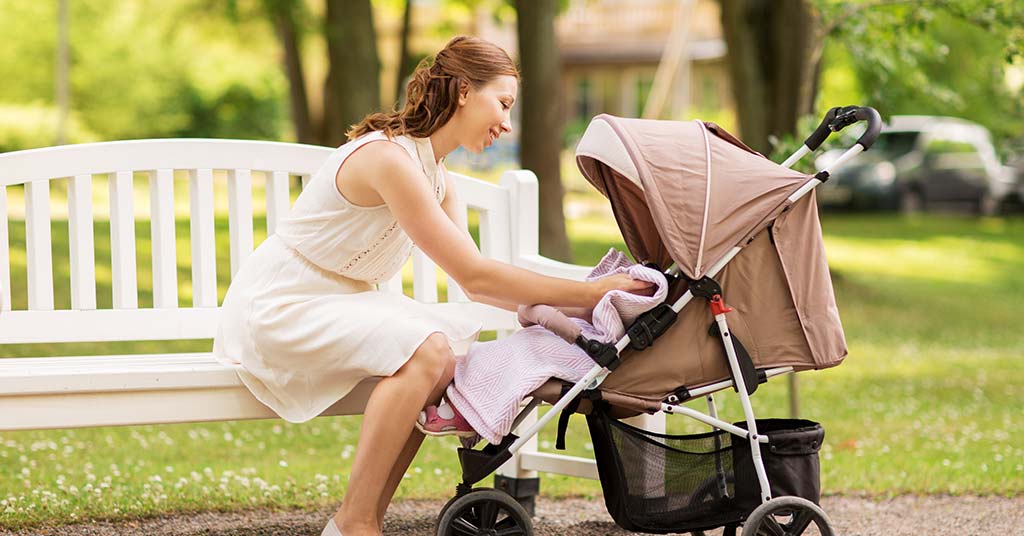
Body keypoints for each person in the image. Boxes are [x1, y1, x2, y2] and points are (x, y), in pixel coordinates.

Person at [212, 35, 653, 536]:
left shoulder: (439, 178)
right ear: (464, 91)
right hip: (282, 304)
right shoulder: (388, 160)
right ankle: (355, 521)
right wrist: (590, 293)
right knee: (428, 349)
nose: (507, 123)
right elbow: (475, 276)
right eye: (502, 104)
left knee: (440, 355)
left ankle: (359, 521)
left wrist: (589, 298)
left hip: (343, 303)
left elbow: (479, 287)